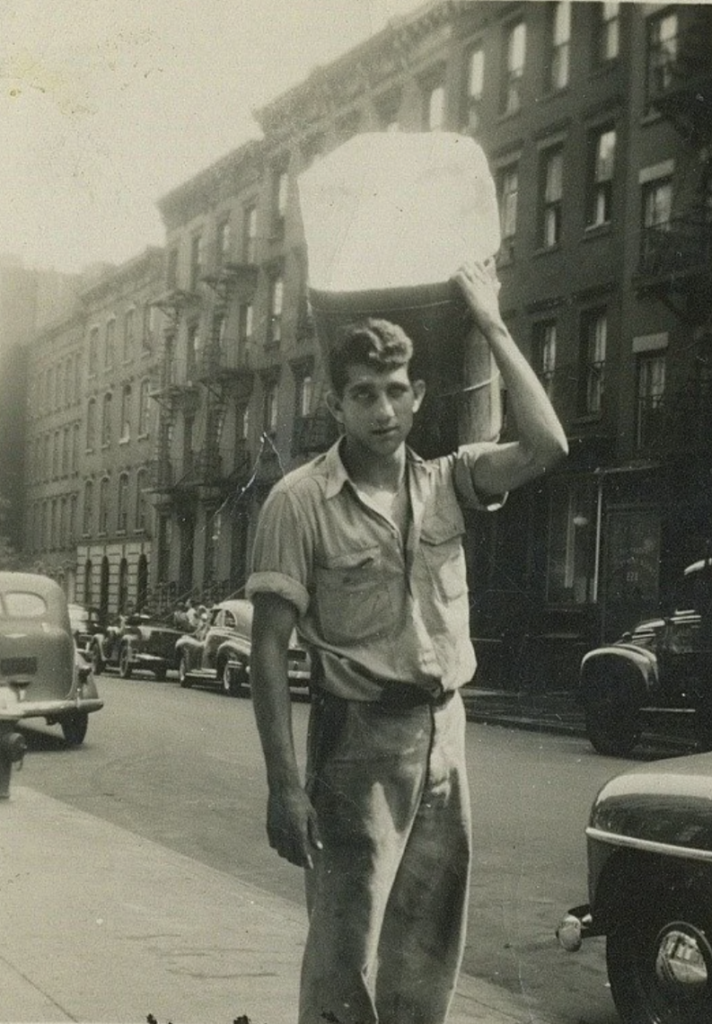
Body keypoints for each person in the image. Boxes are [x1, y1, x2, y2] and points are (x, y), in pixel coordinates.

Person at [246, 259, 568, 1024]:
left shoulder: (450, 481)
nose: (383, 410)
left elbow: (548, 445)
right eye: (364, 394)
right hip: (355, 744)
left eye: (396, 391)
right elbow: (267, 649)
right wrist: (284, 785)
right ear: (336, 404)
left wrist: (491, 320)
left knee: (428, 954)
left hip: (444, 737)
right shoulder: (299, 503)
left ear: (419, 397)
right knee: (341, 959)